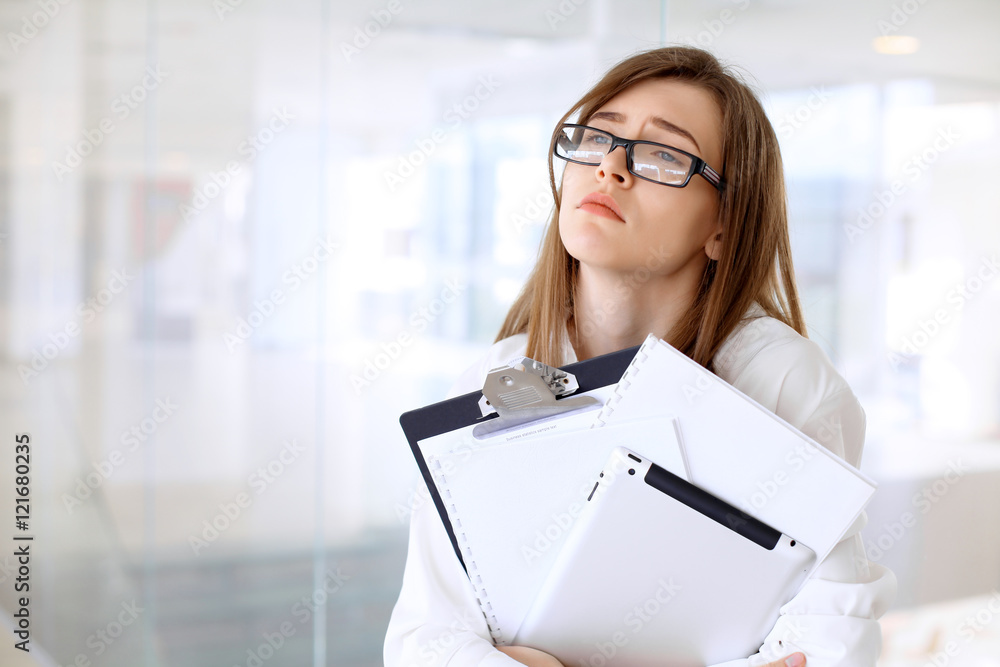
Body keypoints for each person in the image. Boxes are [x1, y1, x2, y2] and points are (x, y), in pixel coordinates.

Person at [384, 46, 897, 667]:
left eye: (664, 155)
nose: (611, 168)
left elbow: (830, 642)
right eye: (598, 137)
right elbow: (424, 640)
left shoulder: (785, 381)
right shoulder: (500, 379)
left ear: (723, 227)